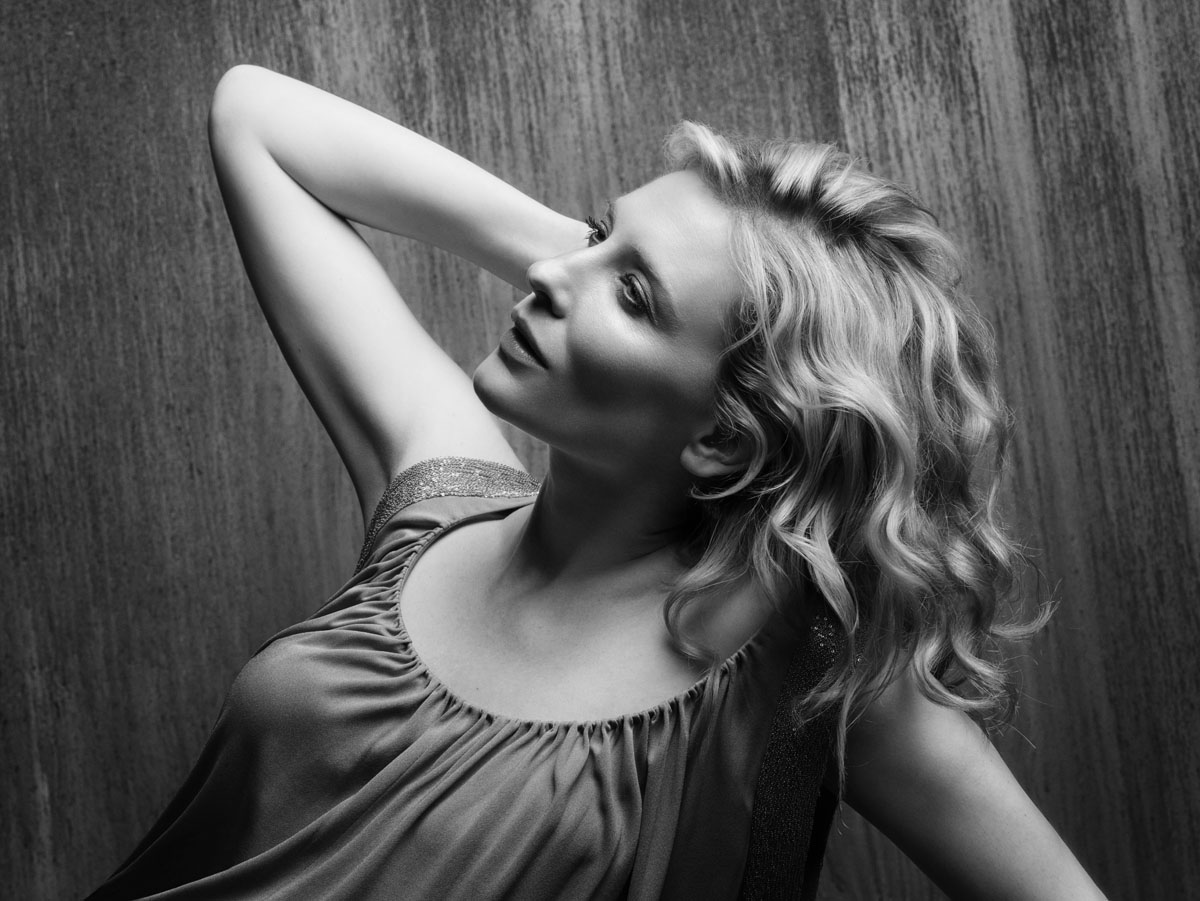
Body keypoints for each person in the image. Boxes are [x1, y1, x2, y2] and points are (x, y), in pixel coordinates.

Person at [88, 64, 1106, 900]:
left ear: (723, 438)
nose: (545, 277)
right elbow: (257, 116)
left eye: (632, 297)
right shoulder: (439, 492)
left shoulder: (806, 676)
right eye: (592, 231)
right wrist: (627, 267)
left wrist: (692, 285)